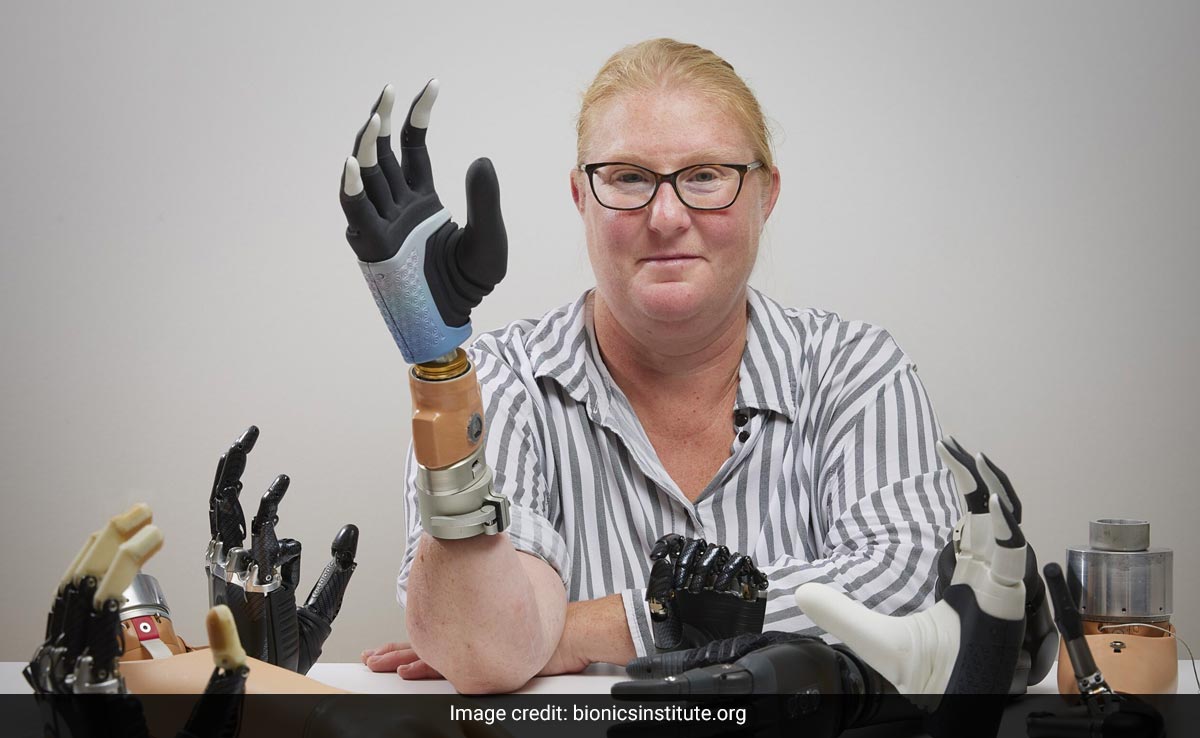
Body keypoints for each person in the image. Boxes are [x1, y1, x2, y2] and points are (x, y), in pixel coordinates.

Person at [352, 38, 958, 694]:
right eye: (629, 178)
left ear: (766, 194)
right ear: (582, 196)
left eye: (705, 176)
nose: (667, 217)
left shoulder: (856, 372)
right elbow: (483, 648)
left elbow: (912, 590)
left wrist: (595, 628)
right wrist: (439, 368)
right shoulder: (502, 381)